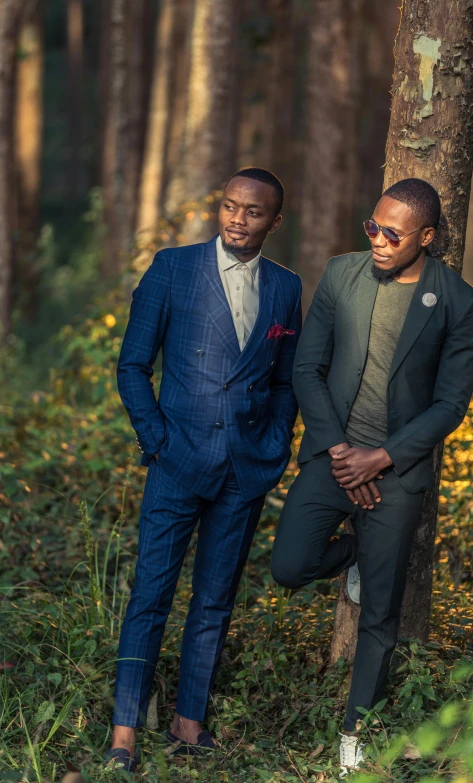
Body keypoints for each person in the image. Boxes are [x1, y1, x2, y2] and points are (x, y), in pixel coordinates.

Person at [271, 178, 473, 775]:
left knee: (381, 614)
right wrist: (341, 451)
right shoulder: (342, 275)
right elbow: (307, 369)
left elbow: (450, 405)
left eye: (393, 233)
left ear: (427, 237)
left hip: (396, 472)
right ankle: (356, 551)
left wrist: (381, 458)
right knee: (289, 566)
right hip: (332, 457)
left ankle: (353, 736)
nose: (379, 241)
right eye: (373, 226)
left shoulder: (457, 301)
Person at [107, 167, 302, 771]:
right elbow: (132, 366)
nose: (238, 219)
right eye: (230, 206)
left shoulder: (286, 287)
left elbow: (285, 378)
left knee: (215, 600)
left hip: (244, 472)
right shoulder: (173, 268)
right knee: (150, 597)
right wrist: (159, 441)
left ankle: (189, 722)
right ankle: (124, 733)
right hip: (177, 463)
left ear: (275, 220)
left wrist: (275, 445)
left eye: (253, 212)